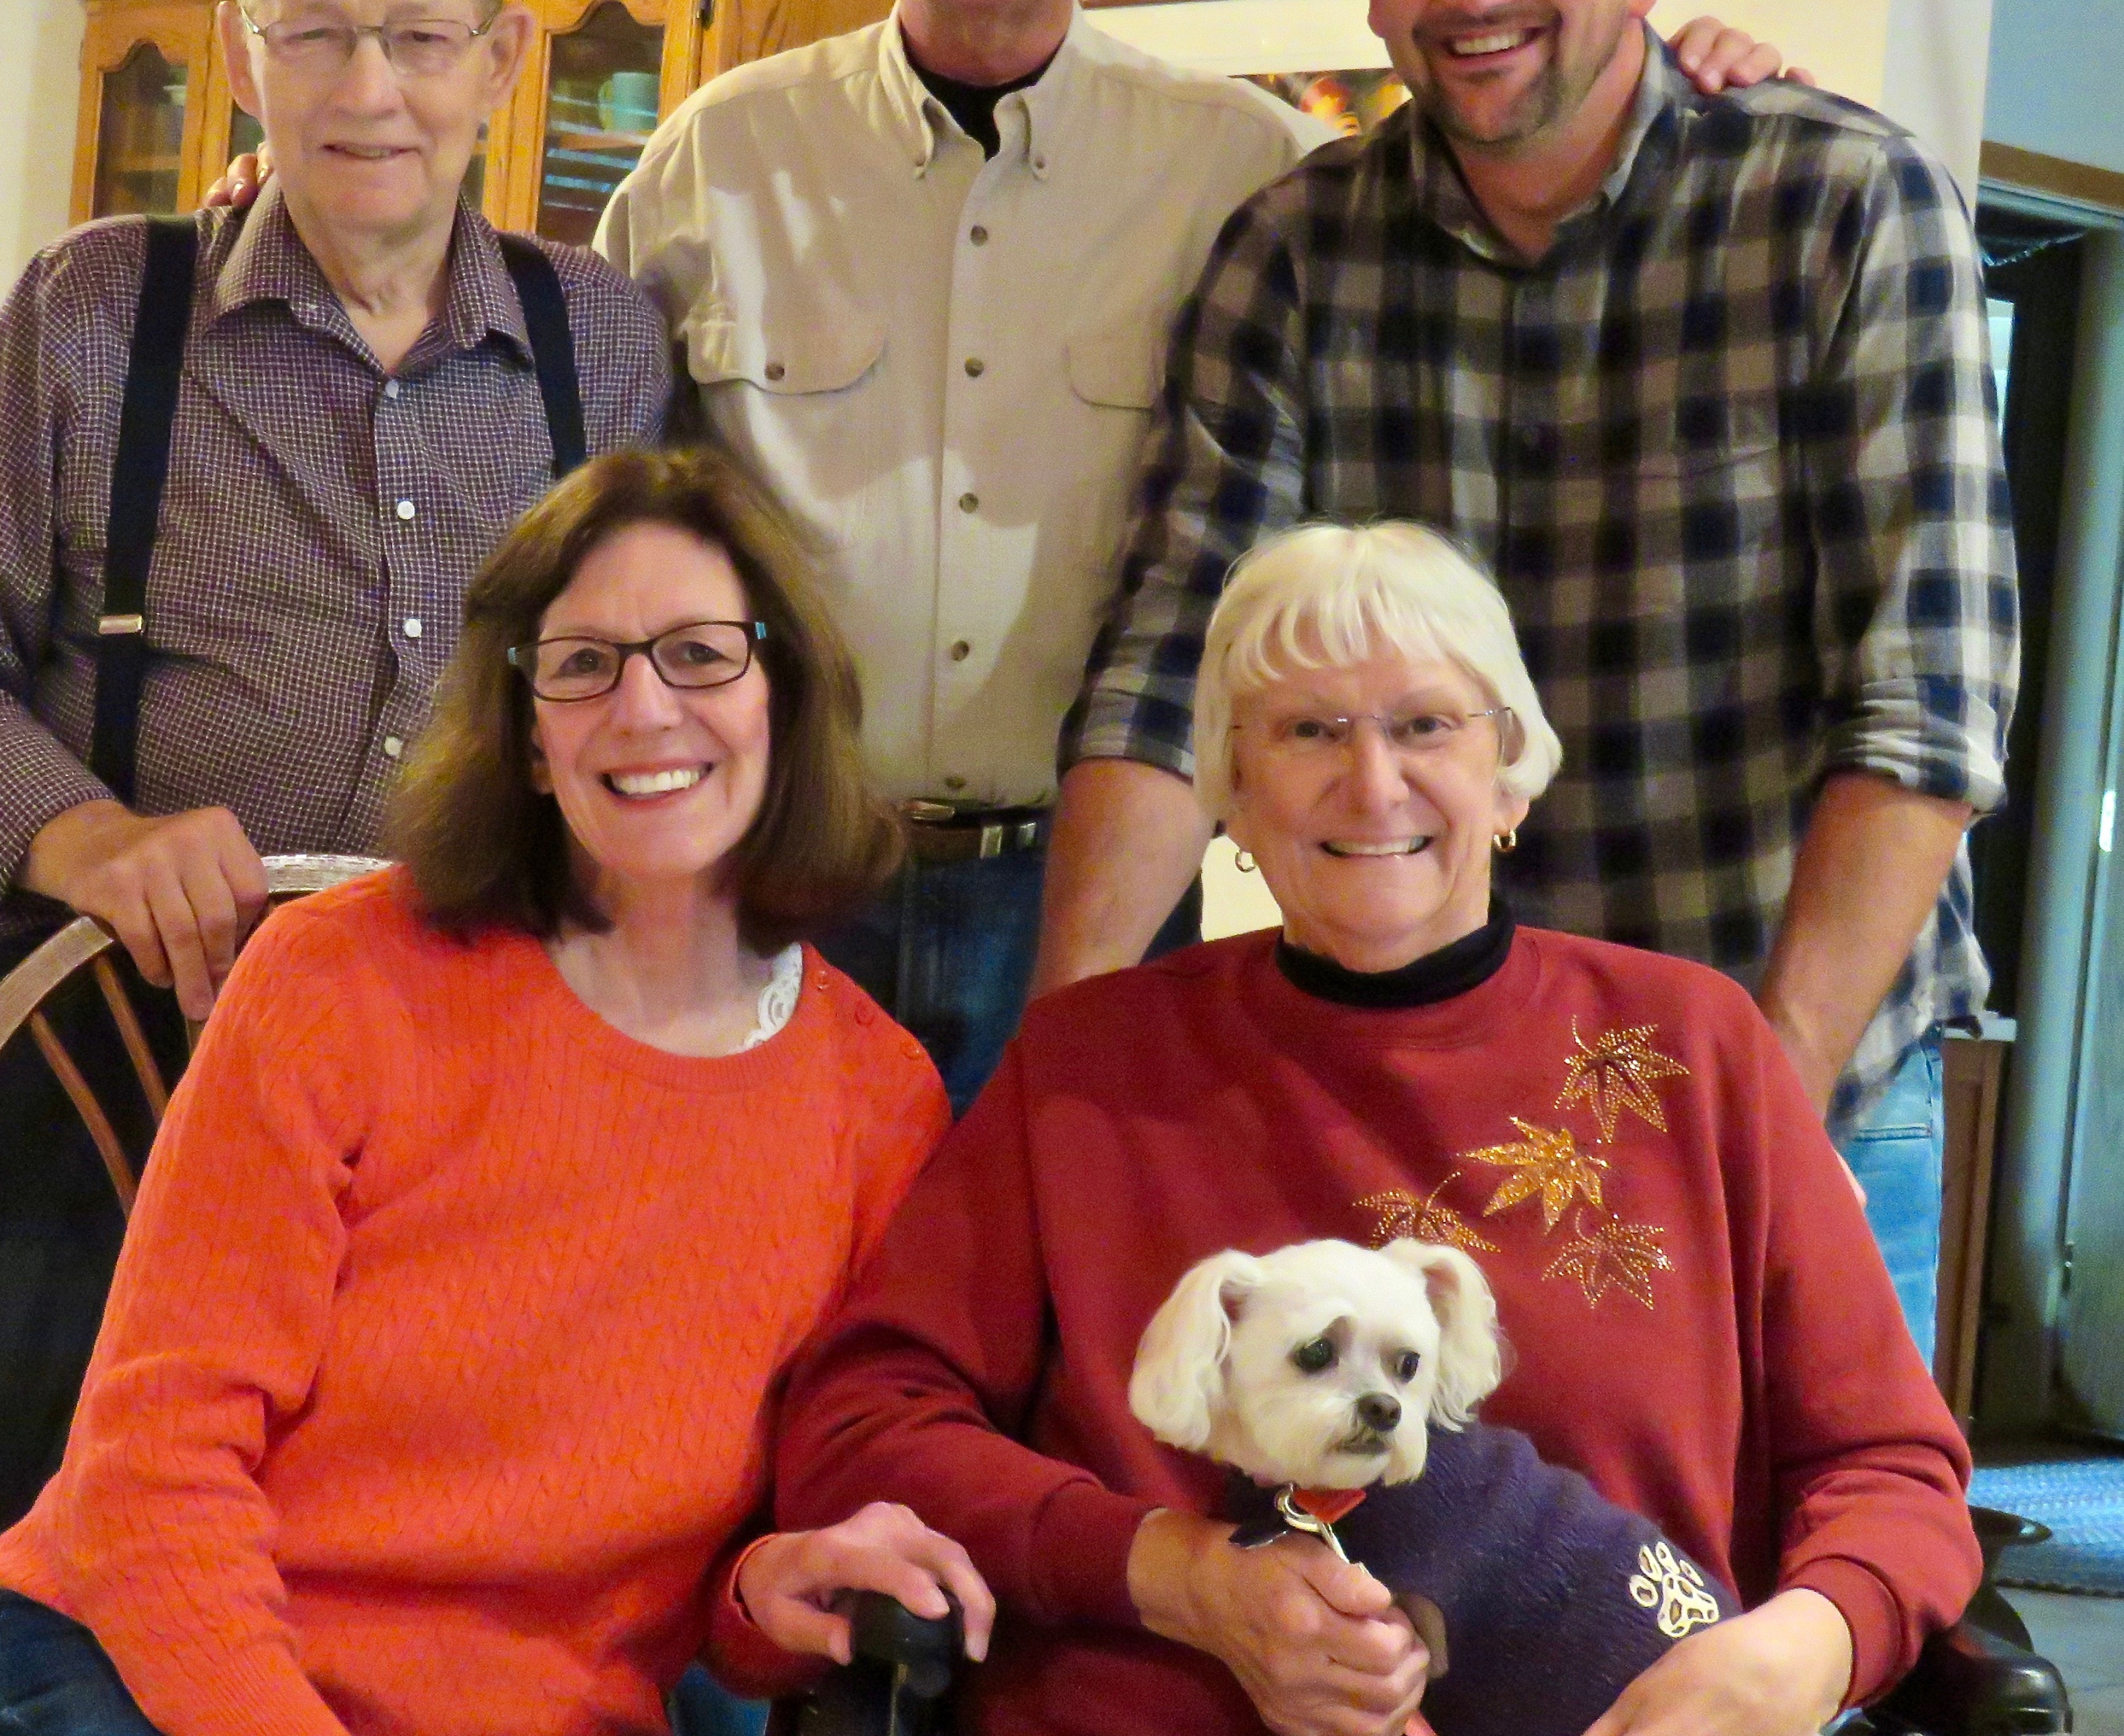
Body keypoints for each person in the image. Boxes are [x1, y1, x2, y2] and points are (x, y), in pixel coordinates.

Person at [587, 0, 1794, 1113]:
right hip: (762, 879)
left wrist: (1709, 90)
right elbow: (567, 482)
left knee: (1072, 1324)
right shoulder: (717, 154)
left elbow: (1513, 162)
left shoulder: (1256, 174)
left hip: (1093, 896)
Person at [0, 0, 670, 1732]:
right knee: (11, 1619)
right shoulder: (94, 316)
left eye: (419, 38)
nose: (368, 90)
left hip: (449, 1141)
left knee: (369, 1625)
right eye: (316, 37)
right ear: (238, 57)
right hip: (78, 1081)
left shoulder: (604, 352)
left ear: (501, 63)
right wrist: (76, 827)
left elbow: (670, 707)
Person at [1041, 0, 2017, 1358]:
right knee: (1422, 1588)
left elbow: (1928, 711)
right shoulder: (1296, 252)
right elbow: (1170, 668)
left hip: (1802, 1073)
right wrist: (1061, 1066)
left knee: (1792, 1588)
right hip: (1406, 1092)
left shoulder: (1844, 205)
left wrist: (1749, 1114)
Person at [775, 518, 1979, 1736]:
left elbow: (1890, 1472)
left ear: (1509, 775)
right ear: (1231, 793)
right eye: (1306, 731)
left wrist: (1800, 1651)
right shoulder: (1089, 1068)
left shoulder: (1691, 1051)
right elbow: (863, 1427)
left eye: (1424, 725)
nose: (1371, 783)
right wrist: (1175, 1576)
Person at [0, 444, 989, 1736]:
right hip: (176, 1663)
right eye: (581, 666)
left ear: (782, 691)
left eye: (699, 653)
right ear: (521, 739)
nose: (643, 708)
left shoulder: (877, 1100)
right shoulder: (339, 977)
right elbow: (150, 1478)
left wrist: (766, 1592)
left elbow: (721, 1589)